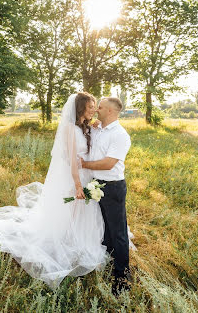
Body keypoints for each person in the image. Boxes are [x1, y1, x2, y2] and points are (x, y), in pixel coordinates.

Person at [0, 92, 108, 289]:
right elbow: (72, 160)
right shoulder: (70, 129)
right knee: (71, 210)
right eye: (91, 107)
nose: (94, 110)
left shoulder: (84, 126)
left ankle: (78, 240)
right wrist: (78, 184)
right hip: (74, 177)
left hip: (86, 174)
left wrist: (95, 124)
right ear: (81, 108)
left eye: (95, 107)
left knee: (82, 212)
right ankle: (67, 242)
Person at [80, 97, 132, 294]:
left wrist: (84, 165)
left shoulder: (120, 135)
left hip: (113, 187)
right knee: (105, 230)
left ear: (110, 111)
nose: (96, 110)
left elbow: (108, 163)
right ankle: (111, 262)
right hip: (96, 185)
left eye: (100, 107)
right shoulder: (98, 128)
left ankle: (122, 277)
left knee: (118, 232)